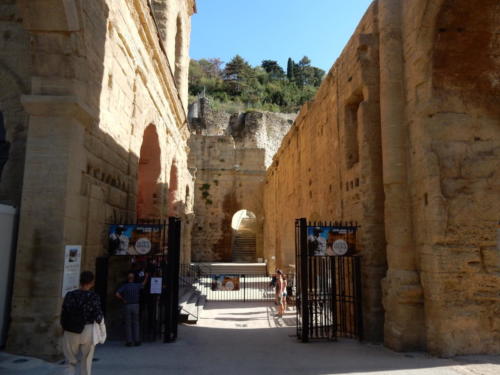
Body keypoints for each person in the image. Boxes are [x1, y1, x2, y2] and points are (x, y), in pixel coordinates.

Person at [60, 271, 103, 375]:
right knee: (86, 361)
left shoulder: (70, 295)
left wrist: (63, 328)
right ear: (92, 283)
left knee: (69, 360)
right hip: (87, 330)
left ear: (80, 281)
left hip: (70, 329)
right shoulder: (94, 297)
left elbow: (64, 313)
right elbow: (98, 316)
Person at [116, 272, 148, 346]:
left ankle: (129, 341)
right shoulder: (136, 286)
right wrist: (146, 277)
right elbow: (143, 284)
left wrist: (123, 299)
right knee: (136, 323)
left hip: (127, 305)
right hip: (136, 305)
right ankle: (136, 340)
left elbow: (117, 294)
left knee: (128, 324)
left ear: (128, 278)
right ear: (133, 278)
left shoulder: (125, 286)